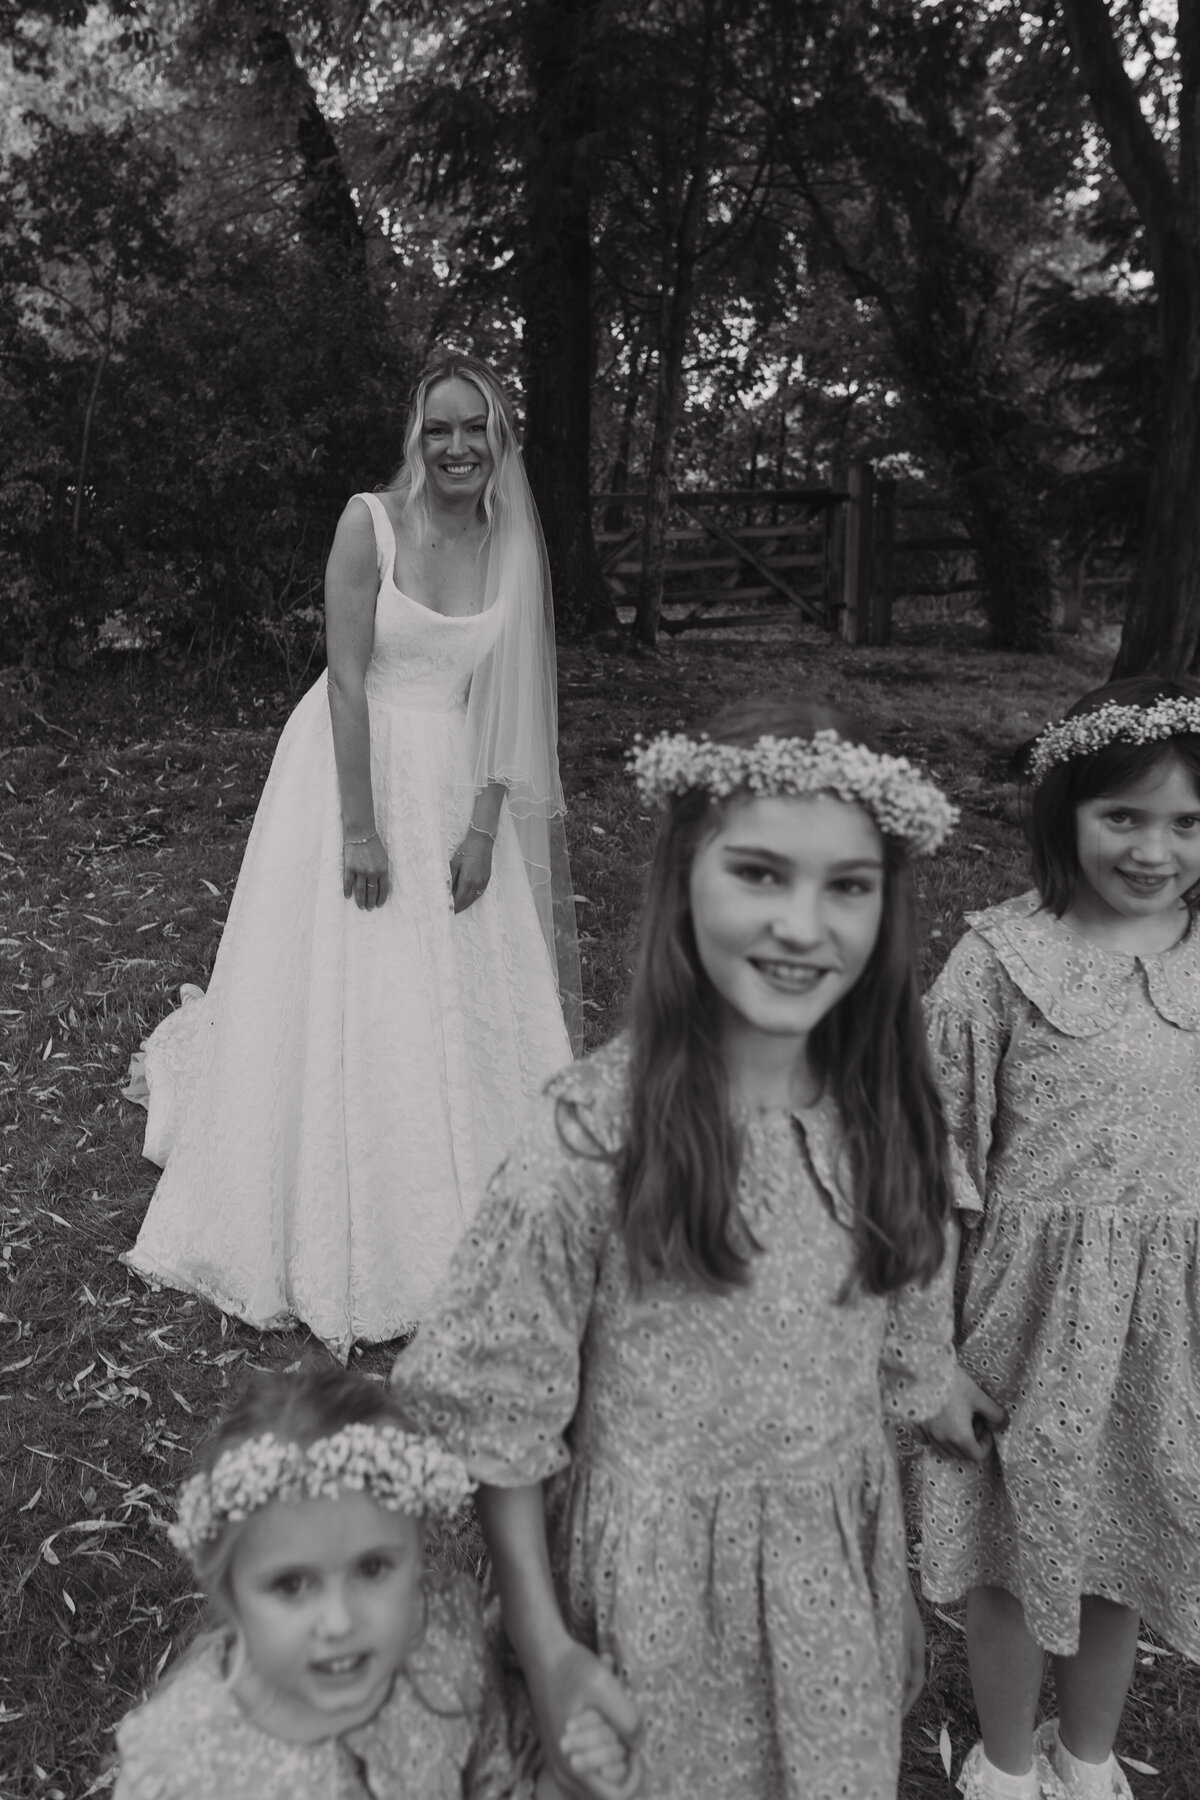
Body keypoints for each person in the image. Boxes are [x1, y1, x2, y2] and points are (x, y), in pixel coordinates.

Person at [390, 699, 981, 1800]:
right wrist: (548, 1647)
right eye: (759, 873)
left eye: (847, 886)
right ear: (685, 876)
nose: (804, 925)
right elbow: (500, 1422)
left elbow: (876, 1385)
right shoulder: (593, 1138)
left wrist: (879, 1583)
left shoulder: (891, 1119)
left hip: (826, 1599)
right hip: (648, 1609)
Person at [122, 353, 580, 1355]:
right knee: (359, 970)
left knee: (460, 987)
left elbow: (507, 701)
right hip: (352, 762)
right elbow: (343, 682)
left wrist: (481, 826)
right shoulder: (367, 522)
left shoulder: (510, 546)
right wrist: (362, 826)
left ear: (500, 441)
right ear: (415, 439)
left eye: (476, 430)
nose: (457, 447)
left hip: (456, 777)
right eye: (438, 430)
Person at [919, 677, 1200, 1800]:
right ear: (1063, 812)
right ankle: (1000, 1762)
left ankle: (1084, 1763)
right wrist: (931, 1354)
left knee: (1119, 1535)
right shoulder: (995, 966)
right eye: (1122, 817)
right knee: (1011, 1543)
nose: (1155, 849)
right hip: (1025, 1320)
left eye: (1187, 822)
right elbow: (931, 1165)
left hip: (1158, 1323)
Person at [110, 1364, 499, 1799]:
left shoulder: (444, 1651)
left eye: (372, 1569)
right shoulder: (186, 1768)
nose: (338, 1623)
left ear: (417, 1552)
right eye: (291, 1584)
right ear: (229, 1590)